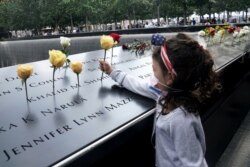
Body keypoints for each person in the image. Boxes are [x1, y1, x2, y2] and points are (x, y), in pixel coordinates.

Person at [99, 33, 221, 167]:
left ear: (170, 77)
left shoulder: (182, 121)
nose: (152, 76)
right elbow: (137, 85)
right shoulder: (164, 94)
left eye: (155, 70)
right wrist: (112, 72)